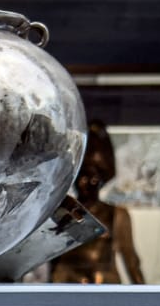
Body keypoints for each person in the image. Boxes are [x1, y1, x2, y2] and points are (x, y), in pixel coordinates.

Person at [50, 122, 145, 285]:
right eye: (83, 175)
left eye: (94, 176)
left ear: (101, 179)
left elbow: (132, 263)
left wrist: (148, 303)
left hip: (104, 290)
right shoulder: (62, 211)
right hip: (67, 288)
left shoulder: (116, 215)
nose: (87, 182)